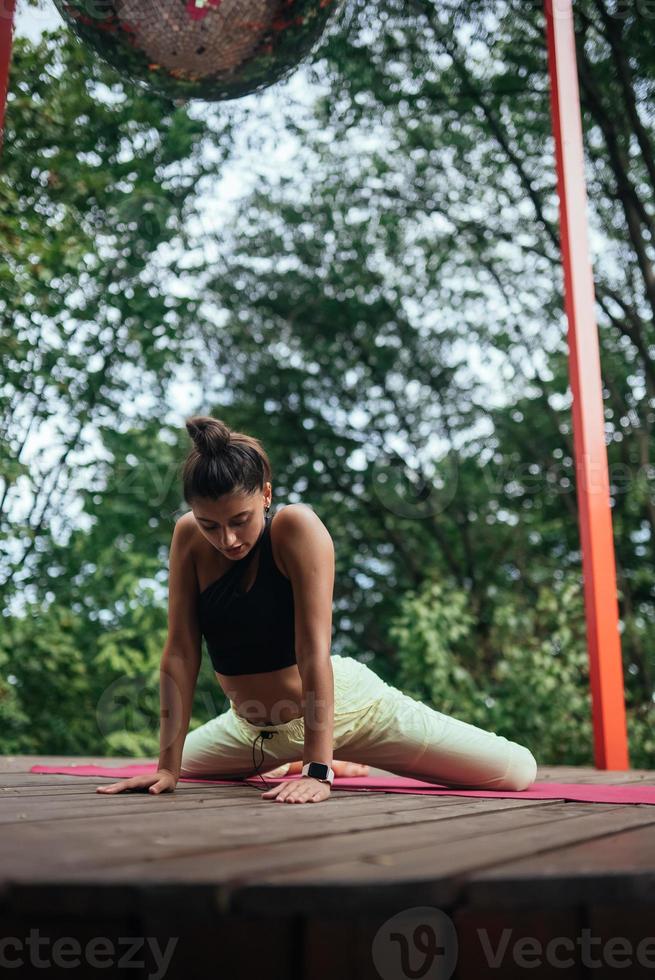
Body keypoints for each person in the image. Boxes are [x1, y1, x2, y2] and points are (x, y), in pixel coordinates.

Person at [97, 415, 537, 805]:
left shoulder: (295, 527)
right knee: (180, 763)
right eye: (211, 524)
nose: (227, 539)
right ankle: (285, 761)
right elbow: (180, 652)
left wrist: (318, 770)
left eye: (240, 520)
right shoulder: (188, 537)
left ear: (266, 495)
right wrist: (167, 768)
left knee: (515, 772)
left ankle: (323, 755)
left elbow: (313, 652)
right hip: (250, 731)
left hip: (348, 711)